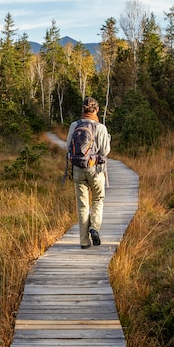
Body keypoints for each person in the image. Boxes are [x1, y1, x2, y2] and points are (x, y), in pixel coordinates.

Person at [66, 97, 111, 248]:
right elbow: (105, 151)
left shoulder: (74, 125)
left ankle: (84, 241)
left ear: (83, 110)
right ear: (96, 110)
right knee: (98, 199)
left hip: (78, 169)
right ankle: (94, 227)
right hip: (96, 170)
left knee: (82, 205)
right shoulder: (100, 128)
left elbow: (68, 147)